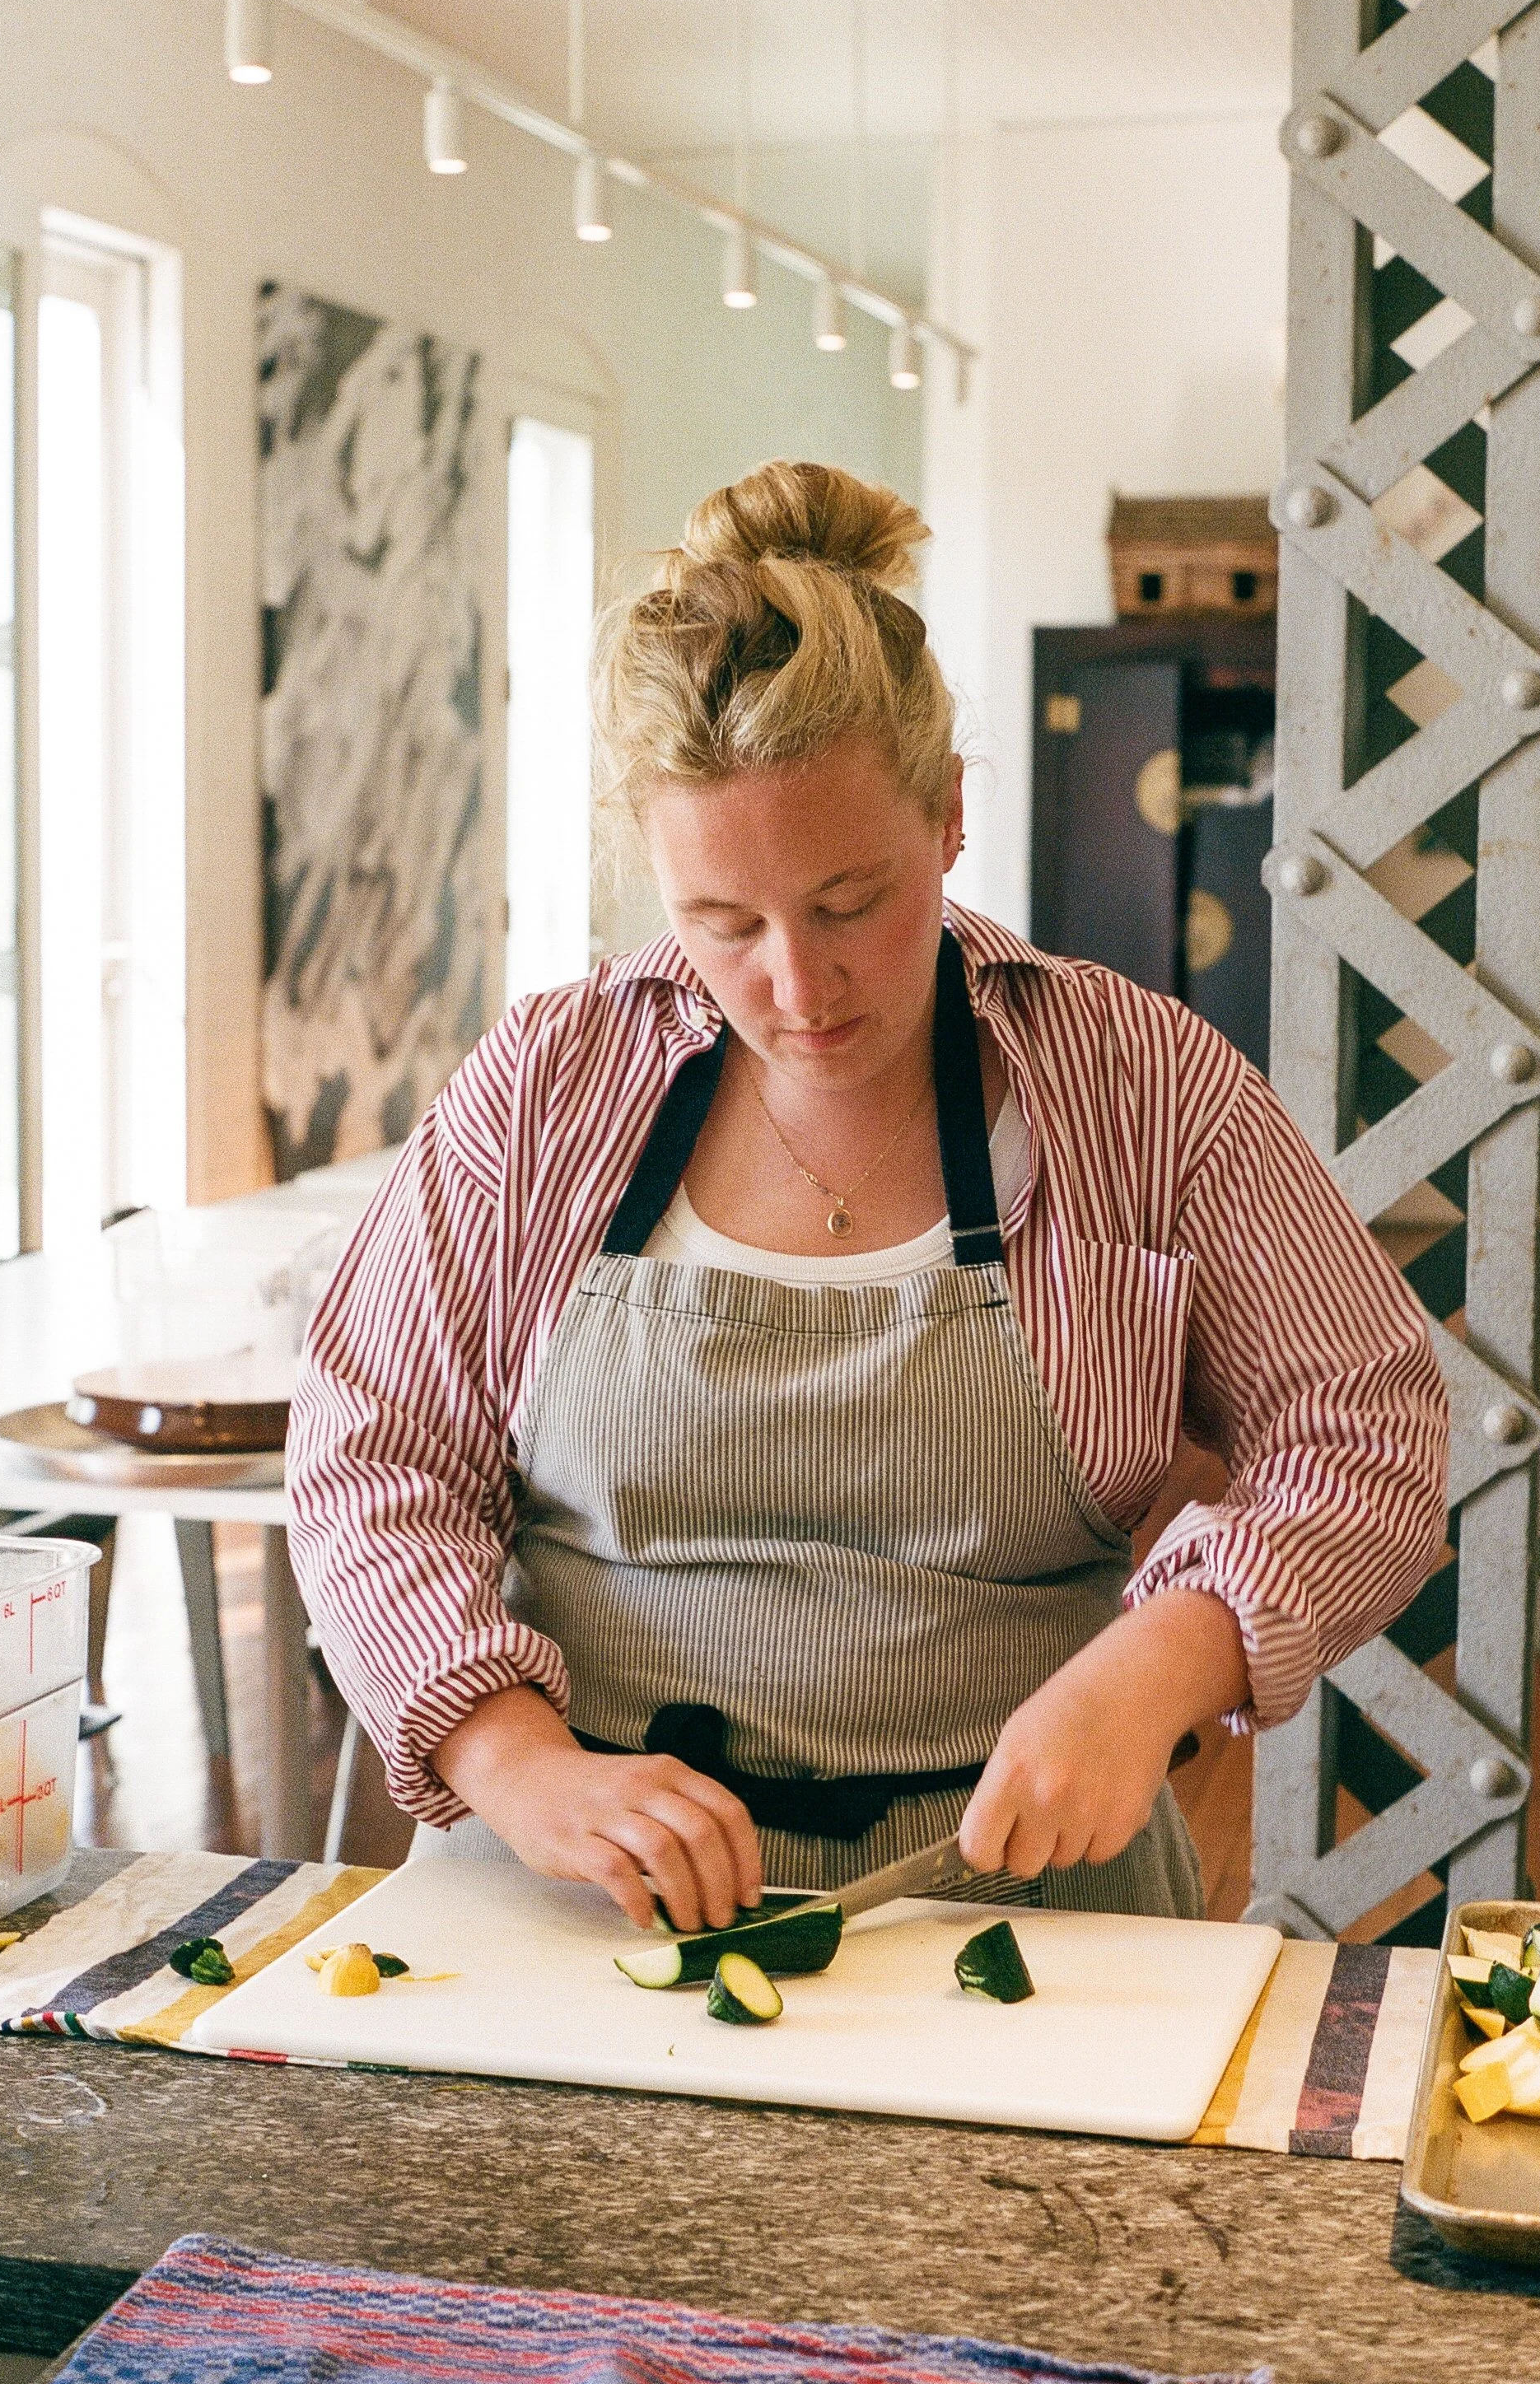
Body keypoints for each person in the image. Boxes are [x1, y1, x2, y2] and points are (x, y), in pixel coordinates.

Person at [287, 460, 1448, 1934]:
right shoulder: (545, 1085)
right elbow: (368, 1453)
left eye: (850, 903)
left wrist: (1169, 1654)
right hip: (573, 1897)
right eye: (722, 921)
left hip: (1021, 1910)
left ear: (950, 816)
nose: (795, 983)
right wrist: (510, 1757)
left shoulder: (1138, 1086)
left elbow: (1368, 1426)